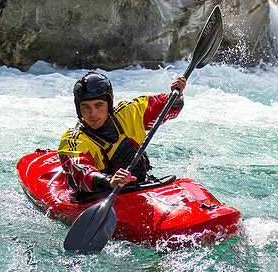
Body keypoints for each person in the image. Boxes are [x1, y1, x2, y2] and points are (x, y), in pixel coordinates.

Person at [57, 71, 187, 195]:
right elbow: (82, 172)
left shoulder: (128, 113)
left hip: (137, 184)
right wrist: (109, 181)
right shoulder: (72, 141)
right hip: (99, 193)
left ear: (109, 104)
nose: (93, 113)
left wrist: (176, 97)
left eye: (99, 105)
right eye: (86, 107)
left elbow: (162, 105)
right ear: (78, 109)